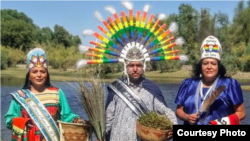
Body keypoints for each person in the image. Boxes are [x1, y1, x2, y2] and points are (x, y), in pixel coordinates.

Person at [5, 48, 83, 141]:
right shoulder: (20, 96)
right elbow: (9, 120)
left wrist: (78, 121)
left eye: (43, 71)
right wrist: (22, 122)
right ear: (29, 75)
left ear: (47, 74)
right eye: (34, 72)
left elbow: (67, 116)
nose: (39, 75)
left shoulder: (57, 93)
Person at [105, 47, 177, 141]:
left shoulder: (151, 89)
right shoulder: (116, 88)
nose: (135, 69)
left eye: (138, 65)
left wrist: (173, 128)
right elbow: (108, 117)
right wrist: (103, 135)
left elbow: (166, 112)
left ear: (143, 67)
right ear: (126, 67)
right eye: (131, 65)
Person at [175, 35, 246, 125]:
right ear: (201, 66)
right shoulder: (188, 84)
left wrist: (219, 123)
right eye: (205, 63)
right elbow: (179, 110)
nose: (209, 67)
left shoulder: (230, 85)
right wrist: (186, 117)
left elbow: (241, 113)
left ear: (218, 66)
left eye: (213, 63)